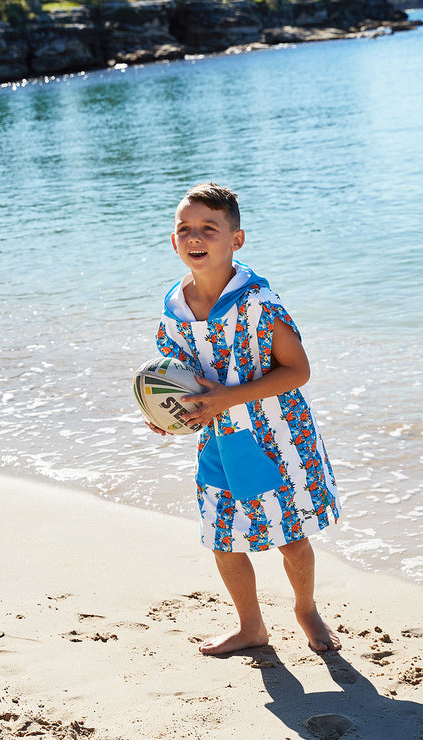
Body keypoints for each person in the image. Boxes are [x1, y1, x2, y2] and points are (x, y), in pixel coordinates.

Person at [147, 182, 342, 655]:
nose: (195, 237)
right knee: (223, 537)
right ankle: (251, 626)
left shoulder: (259, 302)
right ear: (174, 241)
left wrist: (229, 397)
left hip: (277, 435)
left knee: (290, 536)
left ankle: (306, 608)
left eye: (209, 229)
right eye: (185, 229)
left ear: (236, 240)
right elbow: (181, 380)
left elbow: (298, 371)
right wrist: (171, 415)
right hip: (217, 438)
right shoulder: (174, 311)